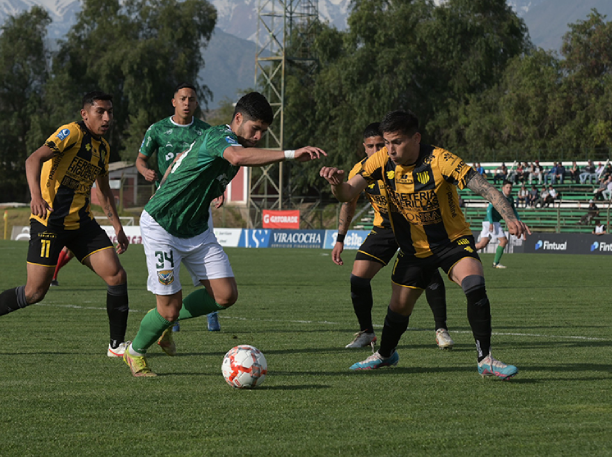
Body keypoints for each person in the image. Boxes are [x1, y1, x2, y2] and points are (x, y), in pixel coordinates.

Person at [122, 92, 326, 377]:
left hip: (197, 229)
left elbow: (189, 163)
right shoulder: (220, 136)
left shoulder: (226, 143)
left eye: (263, 132)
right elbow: (236, 155)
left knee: (225, 295)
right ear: (238, 119)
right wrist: (291, 154)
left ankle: (162, 325)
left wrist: (213, 191)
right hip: (163, 226)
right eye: (255, 129)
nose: (257, 137)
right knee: (168, 309)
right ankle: (135, 353)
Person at [320, 110, 529, 380]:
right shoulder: (381, 160)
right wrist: (336, 185)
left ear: (416, 138)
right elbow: (347, 193)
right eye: (386, 142)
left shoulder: (441, 160)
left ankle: (485, 359)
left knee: (474, 283)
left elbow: (485, 188)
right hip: (413, 250)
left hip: (451, 242)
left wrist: (510, 217)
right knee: (399, 308)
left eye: (396, 142)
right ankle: (385, 354)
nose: (390, 149)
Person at [0, 91, 132, 358]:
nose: (106, 117)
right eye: (100, 112)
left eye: (110, 112)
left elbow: (104, 190)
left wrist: (117, 226)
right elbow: (33, 159)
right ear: (85, 114)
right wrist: (35, 196)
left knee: (116, 275)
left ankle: (116, 346)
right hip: (49, 221)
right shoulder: (70, 133)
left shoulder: (103, 149)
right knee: (34, 292)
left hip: (81, 222)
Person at [332, 123, 453, 352]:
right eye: (372, 146)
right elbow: (349, 203)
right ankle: (367, 332)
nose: (378, 150)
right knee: (358, 277)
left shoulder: (401, 163)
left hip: (413, 225)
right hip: (385, 228)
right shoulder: (359, 170)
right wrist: (340, 238)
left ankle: (441, 329)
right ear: (364, 148)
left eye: (381, 144)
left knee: (429, 274)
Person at [137, 83, 221, 333]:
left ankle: (212, 315)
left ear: (196, 103)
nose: (187, 102)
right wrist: (144, 171)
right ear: (174, 101)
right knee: (170, 266)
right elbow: (141, 159)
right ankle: (169, 317)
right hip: (167, 207)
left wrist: (219, 190)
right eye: (182, 98)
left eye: (192, 99)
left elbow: (217, 165)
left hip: (197, 206)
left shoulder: (206, 131)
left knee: (208, 270)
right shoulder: (158, 129)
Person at [475, 181, 518, 269]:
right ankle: (496, 263)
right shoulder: (498, 196)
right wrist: (491, 222)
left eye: (510, 187)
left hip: (490, 222)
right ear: (503, 188)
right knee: (504, 241)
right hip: (492, 221)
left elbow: (513, 211)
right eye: (507, 187)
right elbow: (489, 209)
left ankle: (463, 253)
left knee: (482, 244)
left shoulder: (510, 199)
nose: (509, 189)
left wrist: (518, 221)